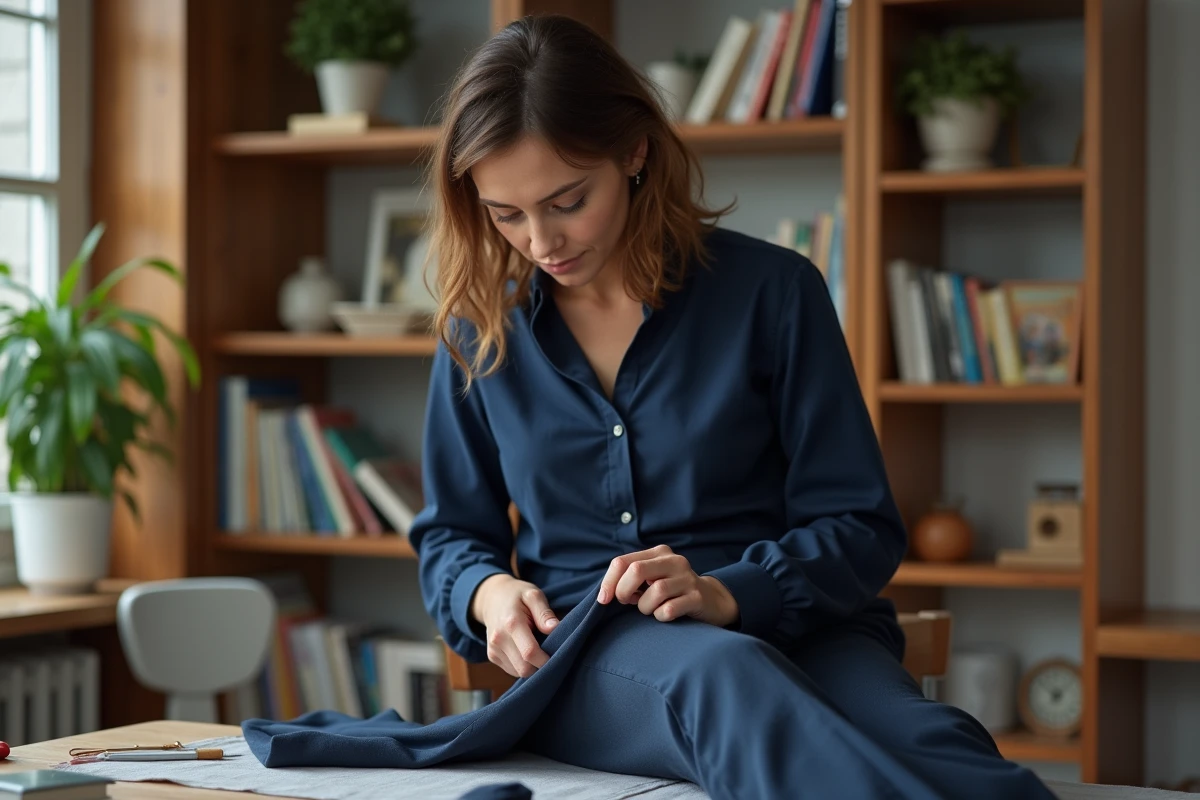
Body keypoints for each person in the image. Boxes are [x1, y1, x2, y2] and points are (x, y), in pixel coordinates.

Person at [409, 14, 1057, 800]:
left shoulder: (774, 293)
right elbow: (450, 534)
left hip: (801, 630)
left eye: (567, 200)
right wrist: (487, 590)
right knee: (725, 678)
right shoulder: (479, 330)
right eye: (505, 214)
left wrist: (729, 592)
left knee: (939, 745)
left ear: (635, 153)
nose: (541, 241)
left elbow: (861, 525)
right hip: (594, 656)